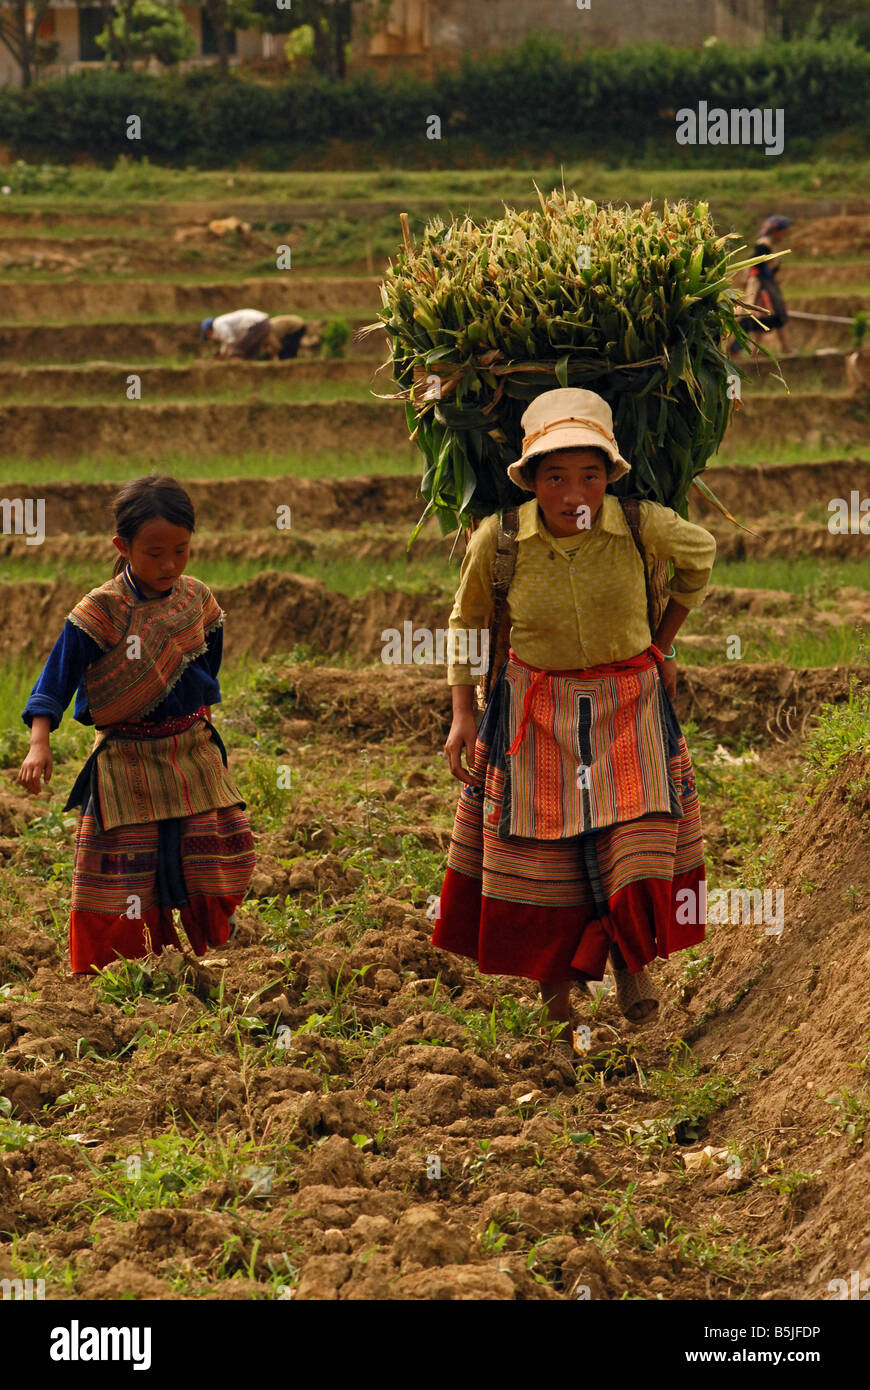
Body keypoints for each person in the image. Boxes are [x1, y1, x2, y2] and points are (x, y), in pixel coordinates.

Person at [433, 388, 717, 1076]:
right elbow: (467, 623)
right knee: (541, 862)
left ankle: (629, 962)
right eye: (555, 476)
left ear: (610, 478)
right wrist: (463, 712)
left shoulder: (641, 524)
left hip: (629, 701)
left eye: (590, 474)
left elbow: (701, 555)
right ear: (531, 481)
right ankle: (561, 998)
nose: (574, 492)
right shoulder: (498, 540)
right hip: (535, 713)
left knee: (638, 843)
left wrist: (665, 644)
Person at [16, 474, 256, 975]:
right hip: (126, 760)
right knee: (121, 875)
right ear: (121, 547)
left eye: (181, 551)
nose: (169, 565)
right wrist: (39, 743)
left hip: (190, 754)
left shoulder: (198, 601)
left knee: (216, 862)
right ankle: (118, 972)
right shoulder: (99, 611)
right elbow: (54, 682)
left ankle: (210, 957)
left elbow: (207, 676)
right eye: (154, 553)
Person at [728, 215, 791, 358]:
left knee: (768, 317)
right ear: (775, 231)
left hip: (765, 286)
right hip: (760, 288)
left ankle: (759, 350)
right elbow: (756, 265)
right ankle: (733, 348)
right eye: (783, 232)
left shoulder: (768, 245)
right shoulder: (764, 246)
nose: (784, 236)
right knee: (753, 316)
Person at [200, 310, 312, 361]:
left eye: (208, 336)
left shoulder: (218, 324)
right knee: (246, 351)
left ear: (208, 331)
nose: (211, 339)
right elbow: (228, 342)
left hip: (258, 324)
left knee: (236, 351)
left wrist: (225, 355)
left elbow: (229, 341)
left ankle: (237, 369)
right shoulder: (224, 324)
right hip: (260, 322)